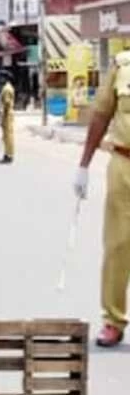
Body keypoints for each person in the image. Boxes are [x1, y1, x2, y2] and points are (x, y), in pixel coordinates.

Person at [74, 50, 130, 346]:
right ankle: (113, 320)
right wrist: (84, 165)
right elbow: (101, 115)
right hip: (124, 164)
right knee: (118, 245)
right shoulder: (122, 66)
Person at [0, 69, 15, 164]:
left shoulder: (7, 89)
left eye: (1, 78)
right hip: (6, 113)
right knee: (6, 136)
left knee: (8, 136)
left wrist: (3, 115)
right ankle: (6, 153)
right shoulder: (6, 88)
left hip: (7, 114)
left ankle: (9, 155)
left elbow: (7, 103)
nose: (0, 79)